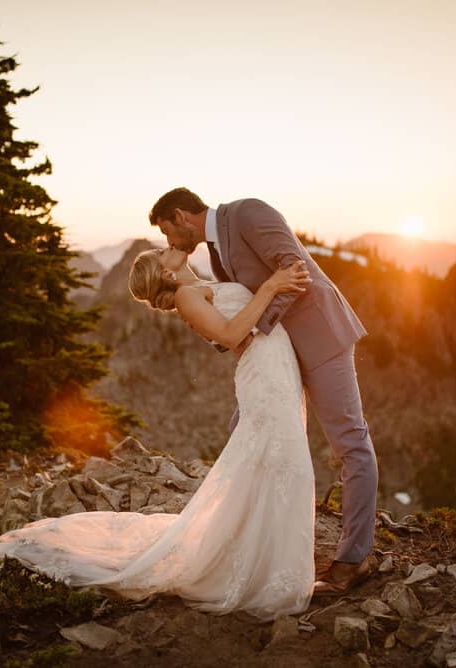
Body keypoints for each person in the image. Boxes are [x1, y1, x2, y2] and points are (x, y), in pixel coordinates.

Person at [0, 249, 316, 620]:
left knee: (277, 466)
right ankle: (268, 571)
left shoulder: (201, 286)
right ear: (167, 275)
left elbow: (238, 331)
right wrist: (272, 286)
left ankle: (262, 556)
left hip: (274, 368)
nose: (170, 248)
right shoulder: (186, 296)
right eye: (163, 252)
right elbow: (230, 334)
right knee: (288, 466)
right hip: (265, 377)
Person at [148, 187, 378, 595]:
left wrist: (254, 330)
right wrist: (238, 334)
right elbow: (232, 311)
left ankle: (354, 558)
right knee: (247, 434)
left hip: (319, 339)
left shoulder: (248, 213)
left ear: (181, 216)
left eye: (167, 232)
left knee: (350, 443)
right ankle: (251, 545)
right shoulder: (215, 253)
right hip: (277, 357)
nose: (169, 242)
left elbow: (294, 271)